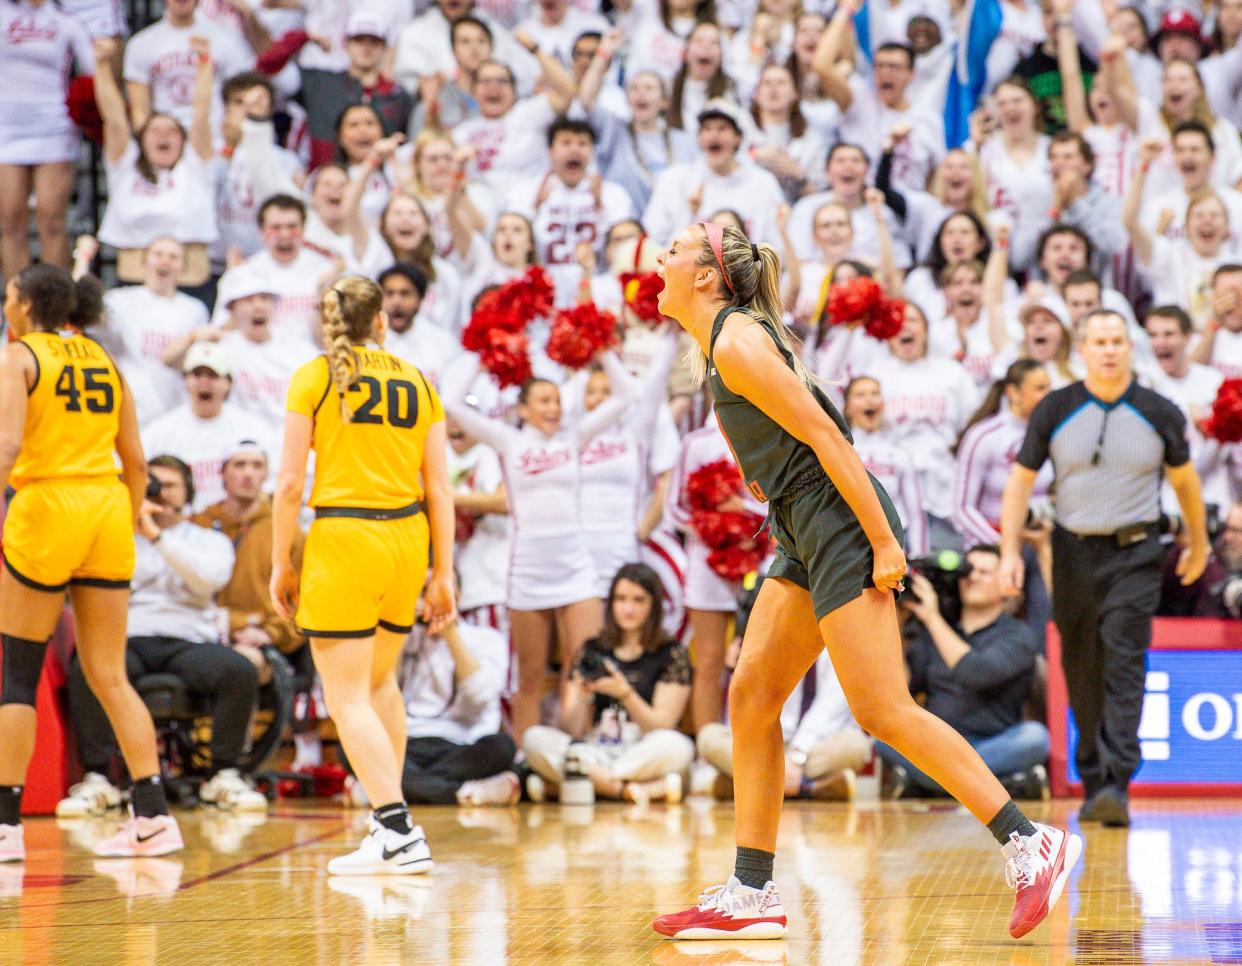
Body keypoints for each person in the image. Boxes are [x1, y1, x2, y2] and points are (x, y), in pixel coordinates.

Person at [650, 221, 1079, 942]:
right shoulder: (718, 341)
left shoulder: (735, 339)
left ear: (704, 276)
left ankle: (1030, 842)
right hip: (802, 524)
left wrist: (883, 542)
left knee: (881, 710)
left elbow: (828, 436)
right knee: (752, 696)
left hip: (841, 523)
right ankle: (752, 893)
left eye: (677, 247)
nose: (661, 253)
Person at [271, 275, 456, 875]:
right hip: (407, 540)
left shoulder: (316, 376)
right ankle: (384, 826)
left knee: (345, 694)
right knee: (381, 686)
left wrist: (280, 560)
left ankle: (399, 830)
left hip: (346, 536)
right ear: (381, 321)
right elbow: (441, 488)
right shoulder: (419, 380)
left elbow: (291, 484)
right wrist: (444, 572)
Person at [1000, 310, 1210, 828]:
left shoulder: (1159, 411)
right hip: (1072, 552)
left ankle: (1118, 778)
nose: (1110, 349)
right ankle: (1094, 778)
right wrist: (1009, 551)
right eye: (1100, 341)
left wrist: (1199, 543)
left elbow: (1185, 485)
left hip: (1137, 553)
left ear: (1129, 348)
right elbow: (1020, 483)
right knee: (1081, 664)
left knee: (1124, 658)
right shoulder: (1056, 407)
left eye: (1118, 340)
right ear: (1085, 349)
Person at [0, 265, 181, 860]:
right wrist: (124, 522)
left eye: (8, 297)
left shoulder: (21, 356)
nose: (6, 306)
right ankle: (153, 816)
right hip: (106, 510)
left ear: (26, 304)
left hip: (49, 505)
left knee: (18, 676)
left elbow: (5, 448)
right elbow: (136, 461)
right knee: (109, 673)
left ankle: (5, 827)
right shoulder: (107, 363)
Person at [63, 454, 266, 814]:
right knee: (86, 665)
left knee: (239, 670)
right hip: (130, 638)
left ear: (187, 492)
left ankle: (222, 774)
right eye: (152, 485)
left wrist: (157, 536)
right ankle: (98, 778)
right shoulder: (115, 537)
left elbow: (209, 578)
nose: (161, 494)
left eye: (170, 486)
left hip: (187, 642)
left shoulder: (206, 539)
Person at [883, 546, 1051, 801]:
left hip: (994, 743)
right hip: (938, 746)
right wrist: (896, 625)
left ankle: (933, 785)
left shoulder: (1018, 635)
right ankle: (1003, 785)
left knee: (1035, 739)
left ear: (1005, 584)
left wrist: (932, 619)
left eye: (984, 572)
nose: (973, 578)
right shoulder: (933, 631)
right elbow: (903, 688)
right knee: (883, 735)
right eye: (968, 571)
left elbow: (976, 674)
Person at [523, 564, 694, 804]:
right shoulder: (592, 650)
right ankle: (626, 790)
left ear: (653, 605)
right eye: (621, 599)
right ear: (611, 603)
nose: (628, 609)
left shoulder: (671, 653)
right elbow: (571, 730)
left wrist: (625, 693)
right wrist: (583, 696)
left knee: (678, 747)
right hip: (594, 749)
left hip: (639, 750)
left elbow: (661, 726)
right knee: (534, 738)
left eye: (638, 600)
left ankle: (579, 784)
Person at [191, 441, 306, 684]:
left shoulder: (287, 532)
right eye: (239, 465)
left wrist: (271, 633)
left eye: (257, 466)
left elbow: (302, 599)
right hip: (196, 633)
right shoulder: (198, 525)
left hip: (259, 638)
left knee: (241, 666)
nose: (248, 474)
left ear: (266, 474)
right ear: (222, 473)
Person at [389, 604, 518, 808]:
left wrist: (451, 635)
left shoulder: (485, 638)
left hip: (460, 745)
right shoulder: (396, 636)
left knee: (503, 747)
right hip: (406, 744)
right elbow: (380, 695)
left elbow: (479, 699)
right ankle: (462, 792)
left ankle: (388, 791)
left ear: (455, 596)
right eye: (422, 592)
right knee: (352, 747)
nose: (427, 603)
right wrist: (398, 634)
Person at [0, 0, 93, 277]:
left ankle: (56, 306)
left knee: (51, 221)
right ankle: (21, 306)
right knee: (9, 222)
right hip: (6, 126)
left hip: (53, 127)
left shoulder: (67, 20)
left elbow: (91, 72)